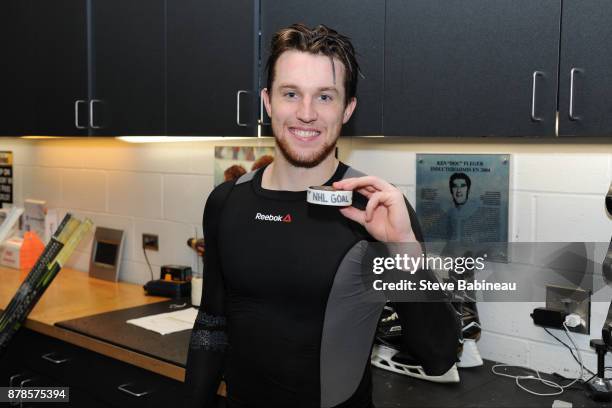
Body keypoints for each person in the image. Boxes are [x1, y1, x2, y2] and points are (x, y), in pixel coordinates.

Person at [183, 24, 460, 408]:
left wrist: (404, 252)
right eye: (291, 94)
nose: (306, 113)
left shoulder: (376, 207)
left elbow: (439, 355)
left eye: (325, 97)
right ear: (267, 101)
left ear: (348, 108)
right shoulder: (226, 202)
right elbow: (211, 324)